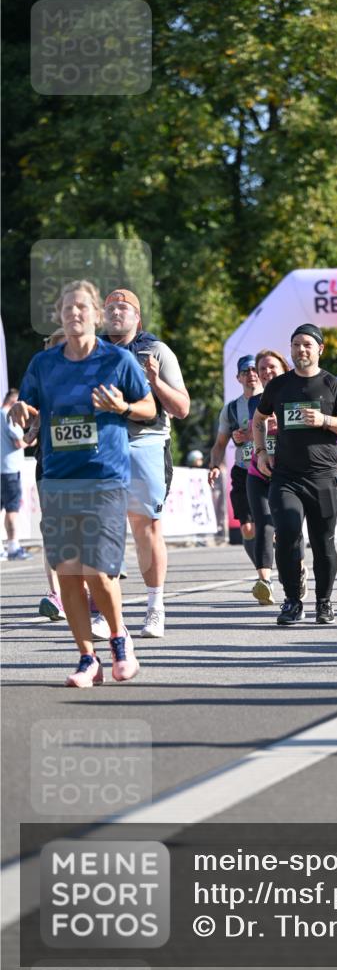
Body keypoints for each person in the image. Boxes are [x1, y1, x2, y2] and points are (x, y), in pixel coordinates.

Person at [11, 279, 155, 687]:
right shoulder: (45, 364)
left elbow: (148, 407)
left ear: (95, 313)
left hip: (104, 478)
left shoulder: (118, 361)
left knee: (98, 570)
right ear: (60, 315)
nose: (74, 314)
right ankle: (86, 657)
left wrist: (123, 406)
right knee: (69, 571)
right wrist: (24, 409)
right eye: (67, 308)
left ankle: (119, 637)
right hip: (58, 478)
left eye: (81, 307)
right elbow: (32, 405)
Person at [93, 288, 190, 640]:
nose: (116, 312)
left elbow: (182, 409)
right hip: (102, 446)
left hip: (146, 442)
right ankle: (104, 611)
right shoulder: (92, 351)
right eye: (110, 308)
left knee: (146, 529)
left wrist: (154, 381)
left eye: (124, 307)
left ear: (137, 317)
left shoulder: (157, 350)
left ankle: (154, 608)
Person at [252, 323, 337, 625]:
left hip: (323, 476)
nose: (301, 349)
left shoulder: (331, 385)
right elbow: (258, 419)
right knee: (286, 534)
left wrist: (325, 419)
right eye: (296, 344)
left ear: (320, 349)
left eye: (307, 345)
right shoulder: (278, 386)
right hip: (286, 477)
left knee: (323, 541)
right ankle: (292, 601)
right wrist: (261, 453)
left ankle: (324, 602)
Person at [245, 348, 307, 606]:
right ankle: (265, 582)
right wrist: (247, 435)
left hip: (290, 472)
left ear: (283, 368)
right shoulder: (254, 401)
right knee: (264, 524)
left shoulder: (298, 395)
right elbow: (254, 429)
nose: (266, 372)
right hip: (258, 471)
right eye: (262, 369)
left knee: (290, 529)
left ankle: (299, 570)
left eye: (272, 368)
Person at [23, 328, 69, 618]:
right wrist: (32, 425)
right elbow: (30, 433)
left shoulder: (94, 375)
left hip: (85, 466)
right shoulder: (43, 380)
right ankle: (56, 595)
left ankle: (85, 589)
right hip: (50, 464)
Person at [209, 354, 261, 569]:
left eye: (254, 370)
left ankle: (285, 565)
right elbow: (220, 444)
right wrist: (213, 465)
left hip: (271, 470)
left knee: (273, 528)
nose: (250, 375)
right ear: (238, 378)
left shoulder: (272, 401)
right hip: (243, 470)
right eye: (245, 372)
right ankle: (263, 571)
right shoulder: (230, 409)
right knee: (248, 530)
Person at [1, 389, 31, 561]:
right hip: (10, 469)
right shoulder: (8, 415)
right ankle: (13, 547)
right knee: (12, 509)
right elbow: (19, 442)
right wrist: (33, 438)